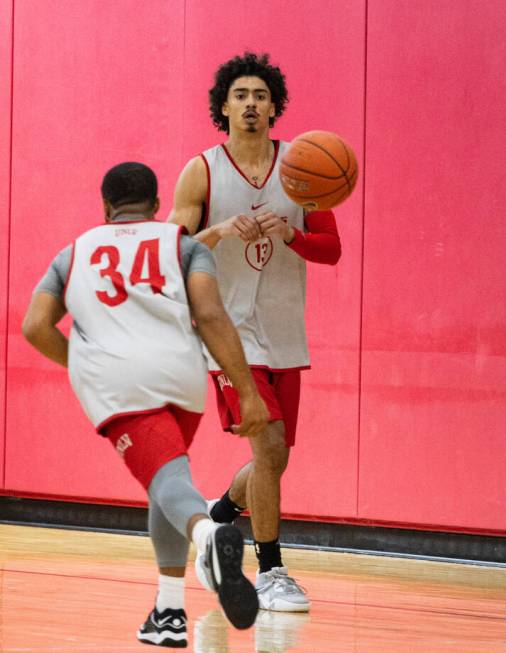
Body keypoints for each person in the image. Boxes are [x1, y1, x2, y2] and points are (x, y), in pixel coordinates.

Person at [22, 162, 269, 647]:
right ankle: (169, 612)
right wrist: (248, 391)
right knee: (165, 480)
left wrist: (81, 361)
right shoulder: (185, 245)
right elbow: (210, 315)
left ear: (104, 206)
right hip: (181, 376)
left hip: (118, 382)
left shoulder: (73, 254)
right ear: (157, 206)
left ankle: (207, 539)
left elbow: (34, 325)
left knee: (171, 482)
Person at [169, 52, 342, 613]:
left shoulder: (304, 165)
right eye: (240, 95)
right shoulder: (201, 169)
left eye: (260, 96)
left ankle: (218, 519)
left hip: (284, 328)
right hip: (225, 333)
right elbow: (169, 252)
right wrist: (216, 231)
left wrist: (292, 235)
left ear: (274, 107)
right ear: (224, 106)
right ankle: (270, 571)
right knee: (267, 444)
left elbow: (332, 249)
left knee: (275, 456)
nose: (250, 104)